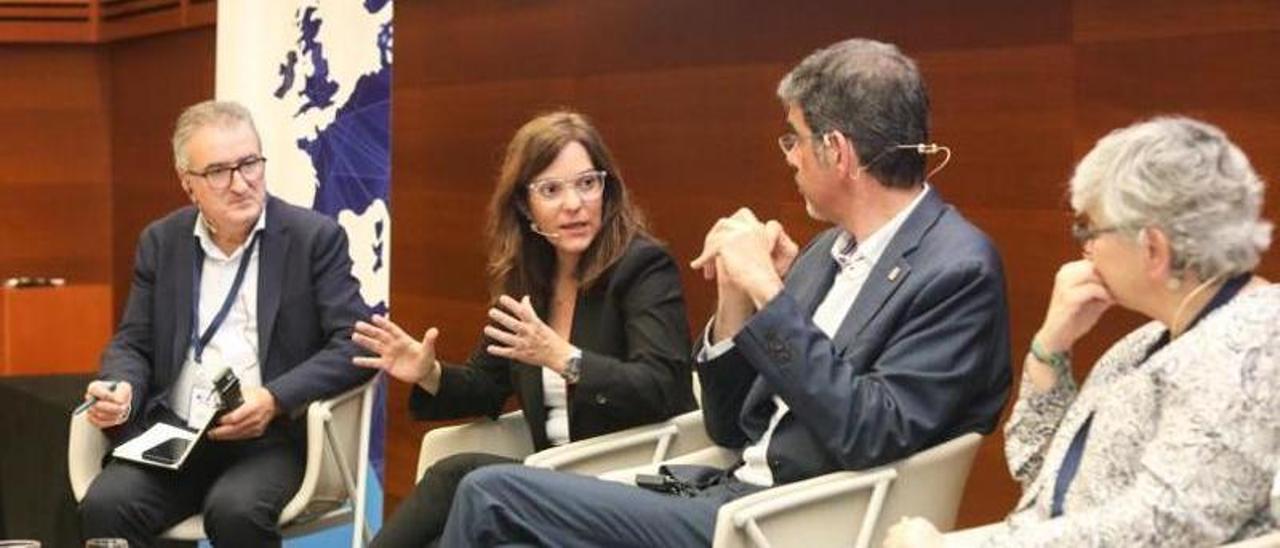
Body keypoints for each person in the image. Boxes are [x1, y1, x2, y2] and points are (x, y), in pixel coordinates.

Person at [437, 37, 1012, 547]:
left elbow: (870, 431)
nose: (788, 156)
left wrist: (770, 291)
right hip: (728, 490)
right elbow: (729, 424)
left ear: (837, 151)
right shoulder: (827, 251)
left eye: (796, 139)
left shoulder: (957, 269)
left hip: (789, 519)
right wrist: (735, 300)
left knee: (490, 495)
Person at [884, 117, 1280, 547]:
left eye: (1090, 229)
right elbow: (1041, 475)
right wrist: (1051, 346)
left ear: (1153, 248)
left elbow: (1161, 528)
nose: (1085, 247)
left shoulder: (1249, 351)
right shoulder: (1148, 341)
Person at [354, 110, 697, 547]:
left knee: (456, 475)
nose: (573, 204)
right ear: (524, 204)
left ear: (607, 189)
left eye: (587, 183)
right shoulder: (529, 279)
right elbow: (487, 385)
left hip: (628, 480)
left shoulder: (643, 268)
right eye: (551, 190)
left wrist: (564, 359)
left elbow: (663, 386)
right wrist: (429, 373)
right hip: (553, 478)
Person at [77, 100, 375, 547]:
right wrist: (122, 387)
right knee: (106, 503)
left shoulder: (314, 239)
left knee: (235, 511)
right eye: (218, 171)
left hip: (270, 439)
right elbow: (134, 342)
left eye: (249, 164)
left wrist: (274, 398)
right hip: (177, 436)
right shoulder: (162, 242)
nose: (240, 184)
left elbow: (356, 346)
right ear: (188, 184)